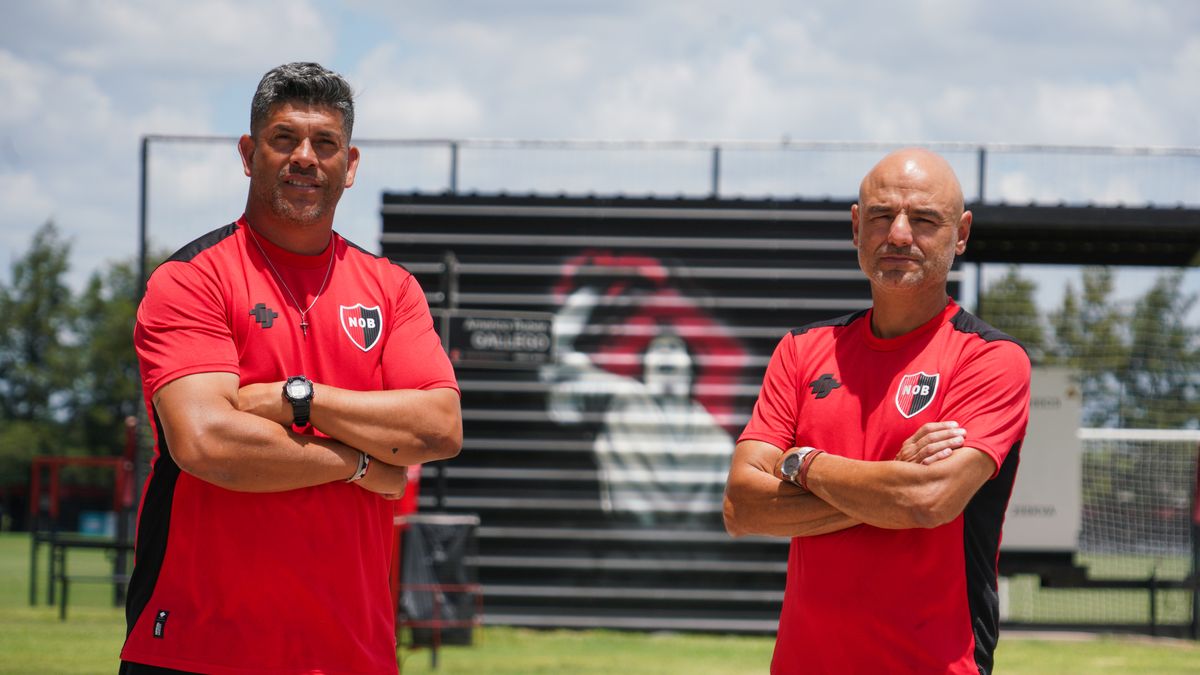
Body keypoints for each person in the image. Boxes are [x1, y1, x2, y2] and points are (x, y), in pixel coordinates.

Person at [120, 62, 461, 674]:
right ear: (249, 154)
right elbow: (208, 442)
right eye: (284, 138)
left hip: (350, 653)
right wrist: (359, 464)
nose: (305, 156)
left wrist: (296, 399)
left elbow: (438, 427)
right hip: (199, 648)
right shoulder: (192, 279)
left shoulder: (392, 289)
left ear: (349, 165)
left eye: (324, 143)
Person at [724, 148, 1031, 674]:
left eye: (925, 220)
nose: (899, 235)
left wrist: (802, 463)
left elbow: (927, 500)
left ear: (961, 234)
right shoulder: (801, 350)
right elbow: (742, 508)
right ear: (856, 226)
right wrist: (892, 479)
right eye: (882, 215)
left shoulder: (990, 359)